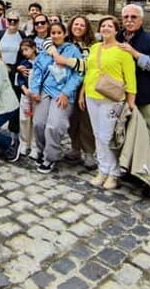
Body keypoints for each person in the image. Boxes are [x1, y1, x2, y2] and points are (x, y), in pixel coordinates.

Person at [81, 15, 136, 190]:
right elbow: (89, 72)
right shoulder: (95, 48)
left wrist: (130, 103)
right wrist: (82, 94)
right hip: (92, 95)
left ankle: (114, 172)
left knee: (107, 137)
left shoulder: (122, 51)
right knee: (97, 135)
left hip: (111, 99)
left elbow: (131, 79)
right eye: (103, 26)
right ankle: (103, 169)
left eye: (109, 26)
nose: (105, 28)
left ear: (116, 30)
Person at [26, 22, 83, 174]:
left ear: (64, 34)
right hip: (45, 90)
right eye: (53, 33)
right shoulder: (46, 51)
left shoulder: (72, 50)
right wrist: (35, 90)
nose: (56, 35)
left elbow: (78, 74)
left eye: (59, 32)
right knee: (39, 123)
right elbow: (37, 70)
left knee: (54, 125)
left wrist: (66, 92)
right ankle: (42, 150)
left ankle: (50, 157)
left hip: (63, 93)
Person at [52, 15, 97, 172]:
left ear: (87, 28)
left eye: (82, 25)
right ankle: (75, 148)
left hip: (85, 87)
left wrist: (82, 92)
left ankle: (89, 152)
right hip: (68, 87)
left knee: (86, 121)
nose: (78, 27)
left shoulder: (92, 46)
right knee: (72, 120)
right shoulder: (65, 44)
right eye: (76, 24)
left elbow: (88, 68)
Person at [10, 38, 37, 162]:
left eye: (27, 49)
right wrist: (24, 88)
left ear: (34, 48)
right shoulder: (23, 63)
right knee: (24, 119)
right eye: (22, 50)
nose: (25, 53)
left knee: (36, 121)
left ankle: (35, 146)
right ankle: (24, 143)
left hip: (37, 96)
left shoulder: (40, 62)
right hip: (25, 95)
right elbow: (20, 78)